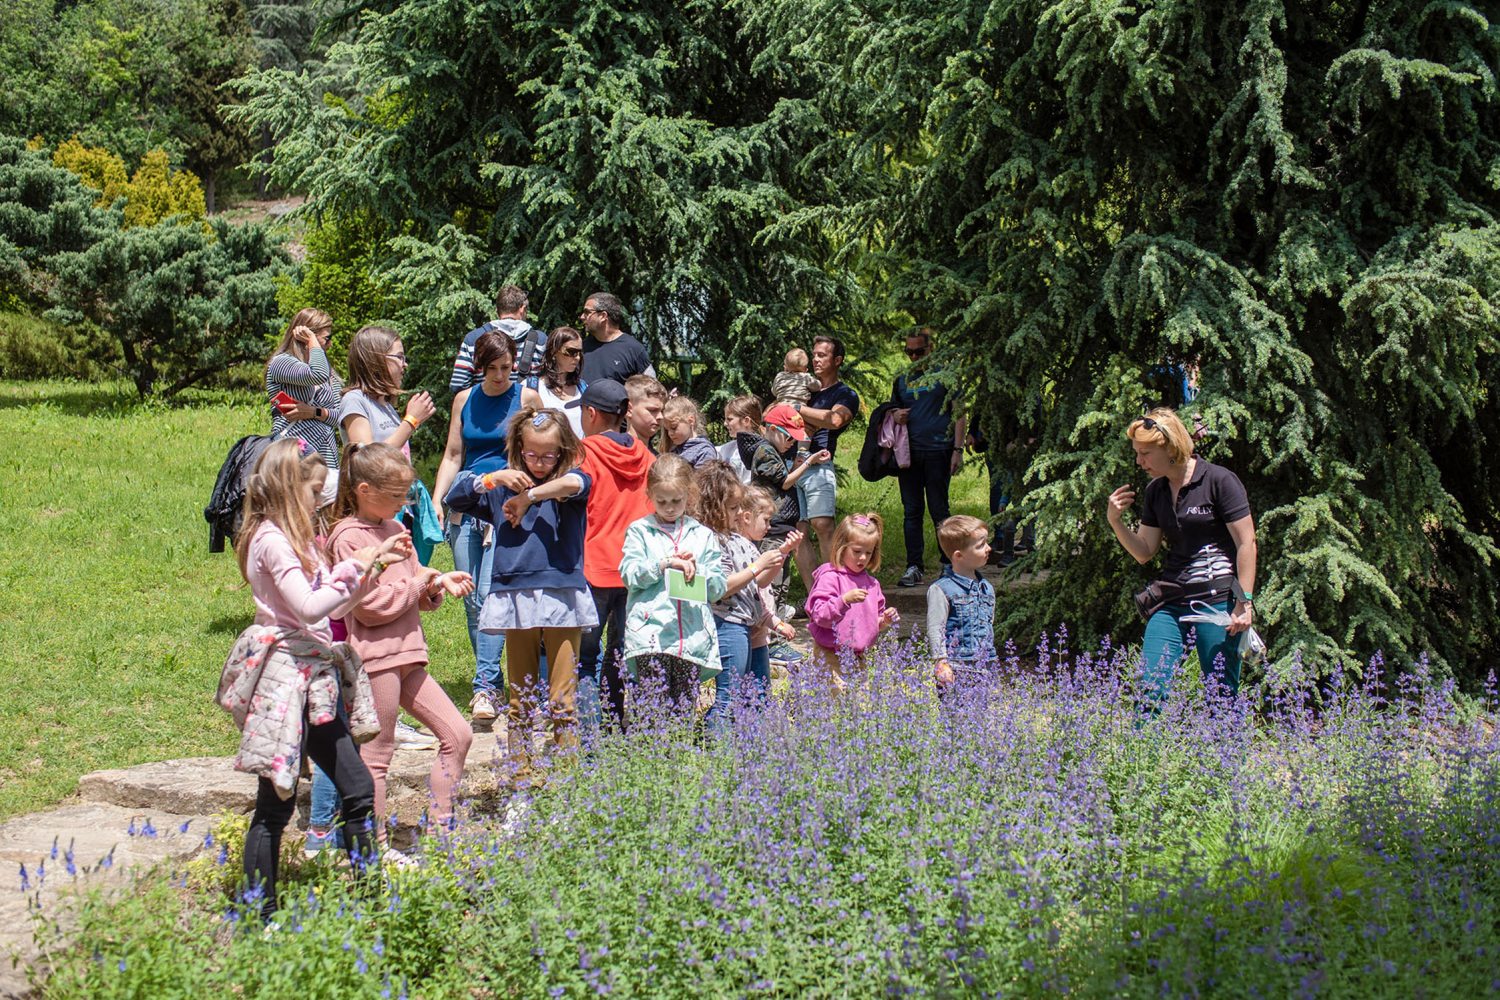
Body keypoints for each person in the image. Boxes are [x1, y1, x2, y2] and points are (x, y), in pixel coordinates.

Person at [219, 439, 411, 921]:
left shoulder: (300, 538)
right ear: (289, 488)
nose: (323, 498)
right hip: (286, 679)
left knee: (358, 787)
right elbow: (306, 608)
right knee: (276, 803)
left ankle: (371, 904)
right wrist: (356, 569)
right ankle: (258, 918)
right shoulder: (271, 539)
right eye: (315, 490)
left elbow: (332, 611)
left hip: (316, 678)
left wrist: (366, 573)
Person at [326, 444, 475, 861]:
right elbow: (369, 607)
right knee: (378, 753)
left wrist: (436, 582)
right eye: (395, 496)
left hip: (408, 653)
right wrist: (416, 586)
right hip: (376, 659)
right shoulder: (349, 538)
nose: (401, 504)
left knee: (458, 735)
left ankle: (442, 833)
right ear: (363, 489)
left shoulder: (393, 528)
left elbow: (412, 581)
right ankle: (373, 851)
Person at [444, 408, 594, 786]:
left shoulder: (569, 484)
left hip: (562, 595)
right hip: (515, 595)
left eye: (548, 455)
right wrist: (490, 478)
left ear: (562, 451)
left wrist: (529, 496)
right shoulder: (502, 486)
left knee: (562, 700)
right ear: (517, 449)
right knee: (521, 698)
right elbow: (454, 498)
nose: (540, 463)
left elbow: (575, 484)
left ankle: (565, 780)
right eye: (531, 455)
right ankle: (521, 778)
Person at [1105, 408, 1257, 702]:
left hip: (1217, 603)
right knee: (1150, 689)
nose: (1139, 461)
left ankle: (1227, 749)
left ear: (1171, 447)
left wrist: (1244, 604)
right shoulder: (1156, 491)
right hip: (1172, 601)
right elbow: (1144, 552)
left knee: (1221, 698)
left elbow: (1246, 543)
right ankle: (1144, 747)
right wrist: (1115, 521)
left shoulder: (1219, 481)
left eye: (1145, 453)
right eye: (1137, 452)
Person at [433, 331, 523, 721]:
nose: (501, 376)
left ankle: (484, 688)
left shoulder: (526, 398)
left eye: (506, 368)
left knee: (489, 597)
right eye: (493, 369)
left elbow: (530, 455)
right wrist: (438, 499)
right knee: (470, 599)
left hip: (500, 507)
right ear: (480, 368)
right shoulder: (464, 399)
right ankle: (492, 679)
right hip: (465, 502)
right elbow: (454, 453)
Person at [576, 379, 656, 732]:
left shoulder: (583, 454)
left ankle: (591, 739)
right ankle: (614, 729)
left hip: (594, 569)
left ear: (591, 413)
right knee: (621, 654)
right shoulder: (647, 456)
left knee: (586, 658)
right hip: (637, 573)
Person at [619, 454, 727, 711]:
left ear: (689, 494)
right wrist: (664, 564)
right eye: (661, 501)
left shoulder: (702, 535)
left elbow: (718, 589)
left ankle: (678, 753)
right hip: (650, 635)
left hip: (691, 637)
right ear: (650, 495)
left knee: (682, 712)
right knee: (651, 713)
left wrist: (698, 569)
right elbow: (629, 575)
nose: (669, 507)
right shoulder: (640, 531)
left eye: (676, 501)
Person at [699, 465, 793, 735]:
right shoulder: (712, 540)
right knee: (729, 696)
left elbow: (759, 583)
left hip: (747, 625)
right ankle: (717, 746)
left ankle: (746, 747)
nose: (739, 513)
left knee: (752, 696)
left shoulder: (740, 542)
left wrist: (774, 560)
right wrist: (756, 566)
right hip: (727, 623)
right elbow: (719, 588)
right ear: (715, 507)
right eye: (732, 508)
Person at [891, 329, 965, 588]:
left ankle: (948, 564)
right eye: (909, 352)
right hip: (908, 454)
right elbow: (892, 410)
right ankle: (914, 566)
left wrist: (958, 449)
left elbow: (959, 413)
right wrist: (896, 415)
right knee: (911, 512)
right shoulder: (901, 379)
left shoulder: (947, 376)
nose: (914, 357)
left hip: (939, 450)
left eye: (918, 352)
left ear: (930, 349)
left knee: (939, 510)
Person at [804, 513, 899, 688]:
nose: (862, 557)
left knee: (859, 708)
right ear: (841, 547)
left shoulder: (872, 584)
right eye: (857, 551)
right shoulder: (830, 577)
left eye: (868, 552)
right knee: (833, 703)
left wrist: (884, 620)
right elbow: (820, 615)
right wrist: (844, 600)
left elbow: (872, 623)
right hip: (830, 654)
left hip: (859, 656)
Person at [792, 335, 861, 575]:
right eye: (814, 355)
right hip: (791, 466)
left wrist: (799, 410)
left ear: (838, 360)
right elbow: (775, 412)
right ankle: (815, 598)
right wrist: (806, 417)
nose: (815, 360)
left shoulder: (846, 394)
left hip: (818, 465)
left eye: (822, 355)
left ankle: (835, 587)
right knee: (797, 533)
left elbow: (834, 420)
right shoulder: (802, 387)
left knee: (823, 525)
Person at [265, 308, 342, 506]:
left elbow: (341, 416)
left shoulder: (329, 373)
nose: (330, 344)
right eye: (326, 338)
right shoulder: (281, 364)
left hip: (326, 456)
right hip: (294, 455)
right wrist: (313, 342)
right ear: (307, 337)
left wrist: (314, 412)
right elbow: (315, 375)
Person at [761, 404, 832, 586]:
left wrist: (797, 465)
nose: (792, 443)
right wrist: (808, 462)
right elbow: (784, 482)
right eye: (790, 439)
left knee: (779, 579)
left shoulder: (774, 450)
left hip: (777, 522)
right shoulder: (765, 451)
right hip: (772, 525)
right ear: (774, 429)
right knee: (771, 579)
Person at [339, 325, 436, 455]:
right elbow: (366, 459)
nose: (405, 364)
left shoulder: (386, 405)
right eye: (399, 357)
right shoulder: (354, 400)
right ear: (375, 360)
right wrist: (411, 421)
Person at [927, 515, 997, 690]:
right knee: (954, 715)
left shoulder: (986, 588)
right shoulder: (941, 589)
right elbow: (936, 628)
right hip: (956, 667)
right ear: (959, 556)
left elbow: (989, 624)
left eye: (986, 542)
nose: (988, 548)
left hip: (985, 664)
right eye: (980, 545)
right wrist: (940, 661)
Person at [450, 284, 548, 391]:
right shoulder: (541, 340)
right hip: (529, 406)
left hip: (484, 406)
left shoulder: (473, 339)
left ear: (497, 311)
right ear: (522, 309)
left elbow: (458, 384)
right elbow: (552, 381)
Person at [520, 326, 588, 439]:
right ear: (554, 351)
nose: (577, 358)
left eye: (579, 353)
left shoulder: (583, 388)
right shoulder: (531, 388)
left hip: (579, 454)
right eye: (571, 352)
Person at [579, 291, 654, 384]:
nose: (582, 317)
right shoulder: (581, 348)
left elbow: (651, 390)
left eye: (587, 312)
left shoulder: (633, 349)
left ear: (603, 316)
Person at [663, 395, 718, 467]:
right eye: (667, 429)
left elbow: (704, 477)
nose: (670, 433)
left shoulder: (704, 451)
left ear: (691, 421)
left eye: (674, 427)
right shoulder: (674, 451)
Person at [717, 395, 760, 484]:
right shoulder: (727, 448)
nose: (725, 423)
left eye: (729, 419)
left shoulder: (760, 449)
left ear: (746, 421)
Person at [624, 374, 668, 452]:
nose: (660, 416)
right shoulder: (613, 453)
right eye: (652, 410)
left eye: (662, 411)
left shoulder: (657, 460)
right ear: (629, 410)